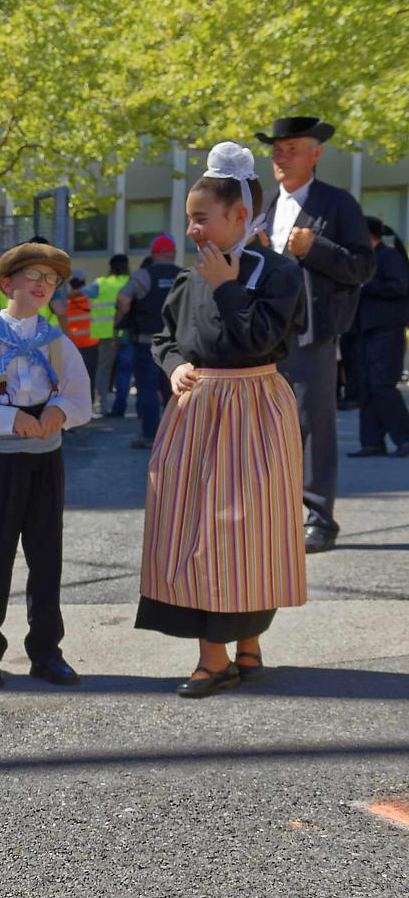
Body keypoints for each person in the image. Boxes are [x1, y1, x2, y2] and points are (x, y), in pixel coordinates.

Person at [138, 142, 307, 695]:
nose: (192, 230)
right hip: (197, 410)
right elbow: (163, 338)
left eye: (201, 219)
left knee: (244, 531)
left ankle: (241, 647)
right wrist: (174, 366)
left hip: (254, 407)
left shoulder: (279, 272)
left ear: (239, 215)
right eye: (189, 220)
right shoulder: (189, 279)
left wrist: (227, 287)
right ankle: (219, 652)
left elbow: (264, 339)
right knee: (195, 529)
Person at [0, 242, 92, 690]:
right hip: (2, 464)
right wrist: (8, 418)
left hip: (47, 463)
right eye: (35, 277)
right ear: (7, 284)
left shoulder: (57, 342)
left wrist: (59, 411)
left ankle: (46, 652)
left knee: (47, 558)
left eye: (52, 279)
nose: (44, 285)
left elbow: (81, 396)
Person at [253, 116, 375, 553]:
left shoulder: (338, 205)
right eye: (276, 150)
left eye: (291, 149)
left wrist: (315, 248)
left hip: (312, 333)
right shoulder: (262, 204)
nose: (280, 157)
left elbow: (363, 268)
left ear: (316, 153)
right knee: (266, 425)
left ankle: (319, 517)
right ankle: (274, 512)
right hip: (265, 333)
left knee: (312, 424)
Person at [348, 217, 409, 457]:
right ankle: (372, 441)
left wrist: (366, 285)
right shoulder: (367, 259)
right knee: (367, 386)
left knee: (382, 385)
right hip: (365, 330)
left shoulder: (389, 256)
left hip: (387, 329)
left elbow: (399, 287)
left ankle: (405, 437)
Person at [116, 235, 182, 447]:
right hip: (179, 345)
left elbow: (124, 299)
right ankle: (179, 435)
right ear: (172, 253)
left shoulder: (143, 275)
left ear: (154, 254)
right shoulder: (185, 275)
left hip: (148, 342)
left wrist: (121, 319)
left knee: (147, 388)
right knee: (176, 389)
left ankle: (150, 435)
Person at [90, 254, 132, 415]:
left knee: (103, 370)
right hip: (128, 332)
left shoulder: (100, 283)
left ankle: (101, 406)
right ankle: (121, 405)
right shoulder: (131, 282)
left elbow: (77, 293)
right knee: (125, 371)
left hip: (105, 333)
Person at [61, 275, 100, 384]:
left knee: (75, 376)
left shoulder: (65, 303)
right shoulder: (91, 300)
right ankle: (91, 399)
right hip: (91, 341)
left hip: (74, 343)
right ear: (84, 283)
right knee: (91, 375)